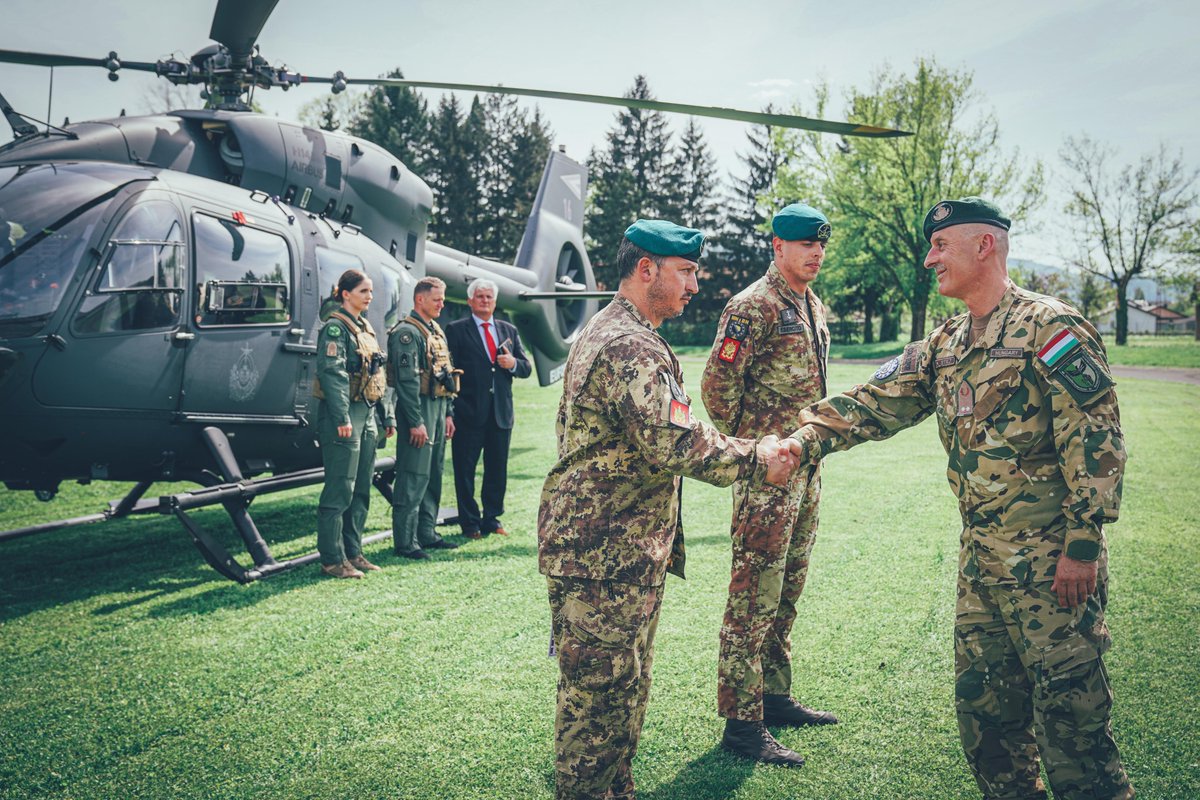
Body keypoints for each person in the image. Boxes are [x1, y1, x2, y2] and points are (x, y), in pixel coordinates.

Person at [789, 197, 1134, 799]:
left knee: (1076, 740)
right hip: (981, 566)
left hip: (1054, 570)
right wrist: (801, 441)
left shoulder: (1048, 328)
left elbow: (1096, 440)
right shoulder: (948, 342)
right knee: (989, 730)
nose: (929, 259)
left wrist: (1083, 544)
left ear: (985, 246)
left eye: (940, 245)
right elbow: (878, 399)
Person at [538, 219, 806, 800]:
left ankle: (617, 790)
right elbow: (675, 442)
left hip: (620, 549)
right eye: (685, 272)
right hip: (601, 553)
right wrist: (759, 455)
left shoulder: (625, 331)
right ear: (646, 270)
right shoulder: (628, 344)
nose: (694, 285)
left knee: (624, 690)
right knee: (597, 703)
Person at [700, 203, 837, 766]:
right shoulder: (751, 306)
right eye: (805, 244)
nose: (816, 253)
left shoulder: (811, 304)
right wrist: (752, 449)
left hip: (805, 472)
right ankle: (741, 724)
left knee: (786, 592)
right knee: (753, 596)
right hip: (766, 476)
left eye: (821, 245)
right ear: (777, 246)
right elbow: (716, 388)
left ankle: (774, 697)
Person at [313, 269, 394, 578]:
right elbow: (332, 375)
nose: (369, 297)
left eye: (370, 291)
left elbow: (376, 375)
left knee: (361, 488)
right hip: (346, 416)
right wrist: (341, 416)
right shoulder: (336, 329)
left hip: (368, 413)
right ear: (345, 294)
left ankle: (354, 552)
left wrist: (386, 414)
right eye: (363, 291)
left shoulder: (365, 328)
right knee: (340, 489)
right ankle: (333, 559)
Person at [444, 278, 532, 538]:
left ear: (495, 302)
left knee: (497, 469)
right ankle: (469, 522)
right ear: (470, 301)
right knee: (465, 471)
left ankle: (492, 519)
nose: (484, 301)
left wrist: (512, 363)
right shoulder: (456, 329)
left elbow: (526, 368)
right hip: (468, 412)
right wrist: (451, 411)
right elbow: (449, 373)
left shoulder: (508, 330)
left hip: (500, 414)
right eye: (480, 297)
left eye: (489, 297)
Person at [387, 276, 461, 560]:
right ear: (420, 299)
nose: (442, 304)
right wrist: (416, 421)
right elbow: (406, 383)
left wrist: (449, 414)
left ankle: (426, 532)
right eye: (437, 299)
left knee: (433, 475)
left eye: (442, 299)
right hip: (418, 410)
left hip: (439, 409)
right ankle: (406, 541)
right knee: (413, 476)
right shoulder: (408, 333)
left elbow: (445, 372)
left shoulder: (435, 330)